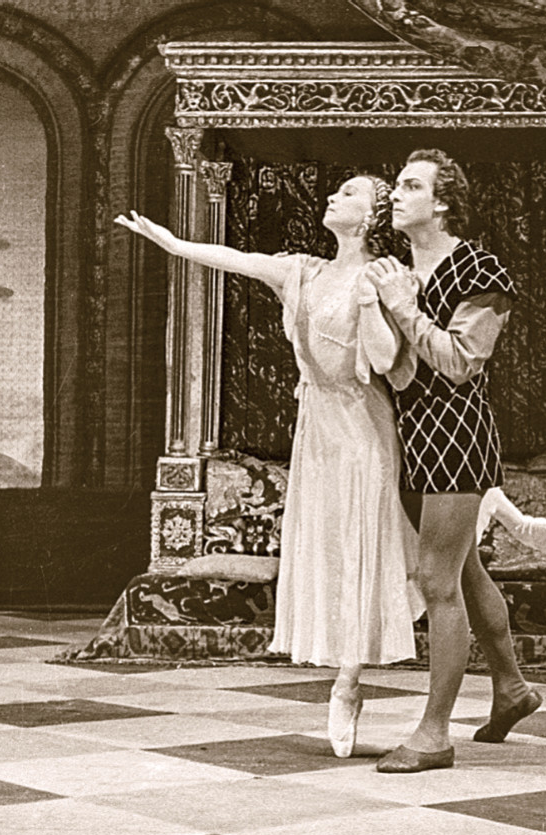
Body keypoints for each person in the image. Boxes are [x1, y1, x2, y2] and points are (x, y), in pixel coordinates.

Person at [116, 175, 423, 759]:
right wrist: (173, 244)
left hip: (363, 426)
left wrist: (369, 301)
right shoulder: (303, 271)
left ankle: (348, 681)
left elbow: (387, 361)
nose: (333, 197)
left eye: (349, 194)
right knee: (325, 544)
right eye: (335, 191)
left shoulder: (384, 275)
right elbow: (236, 258)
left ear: (370, 217)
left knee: (361, 542)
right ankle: (342, 666)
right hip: (318, 425)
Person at [365, 148, 546, 773]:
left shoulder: (480, 269)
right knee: (466, 574)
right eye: (396, 184)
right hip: (410, 438)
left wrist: (403, 305)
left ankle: (433, 734)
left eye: (410, 185)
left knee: (438, 583)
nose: (396, 194)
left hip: (456, 437)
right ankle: (512, 689)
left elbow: (461, 362)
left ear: (442, 202)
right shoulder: (395, 269)